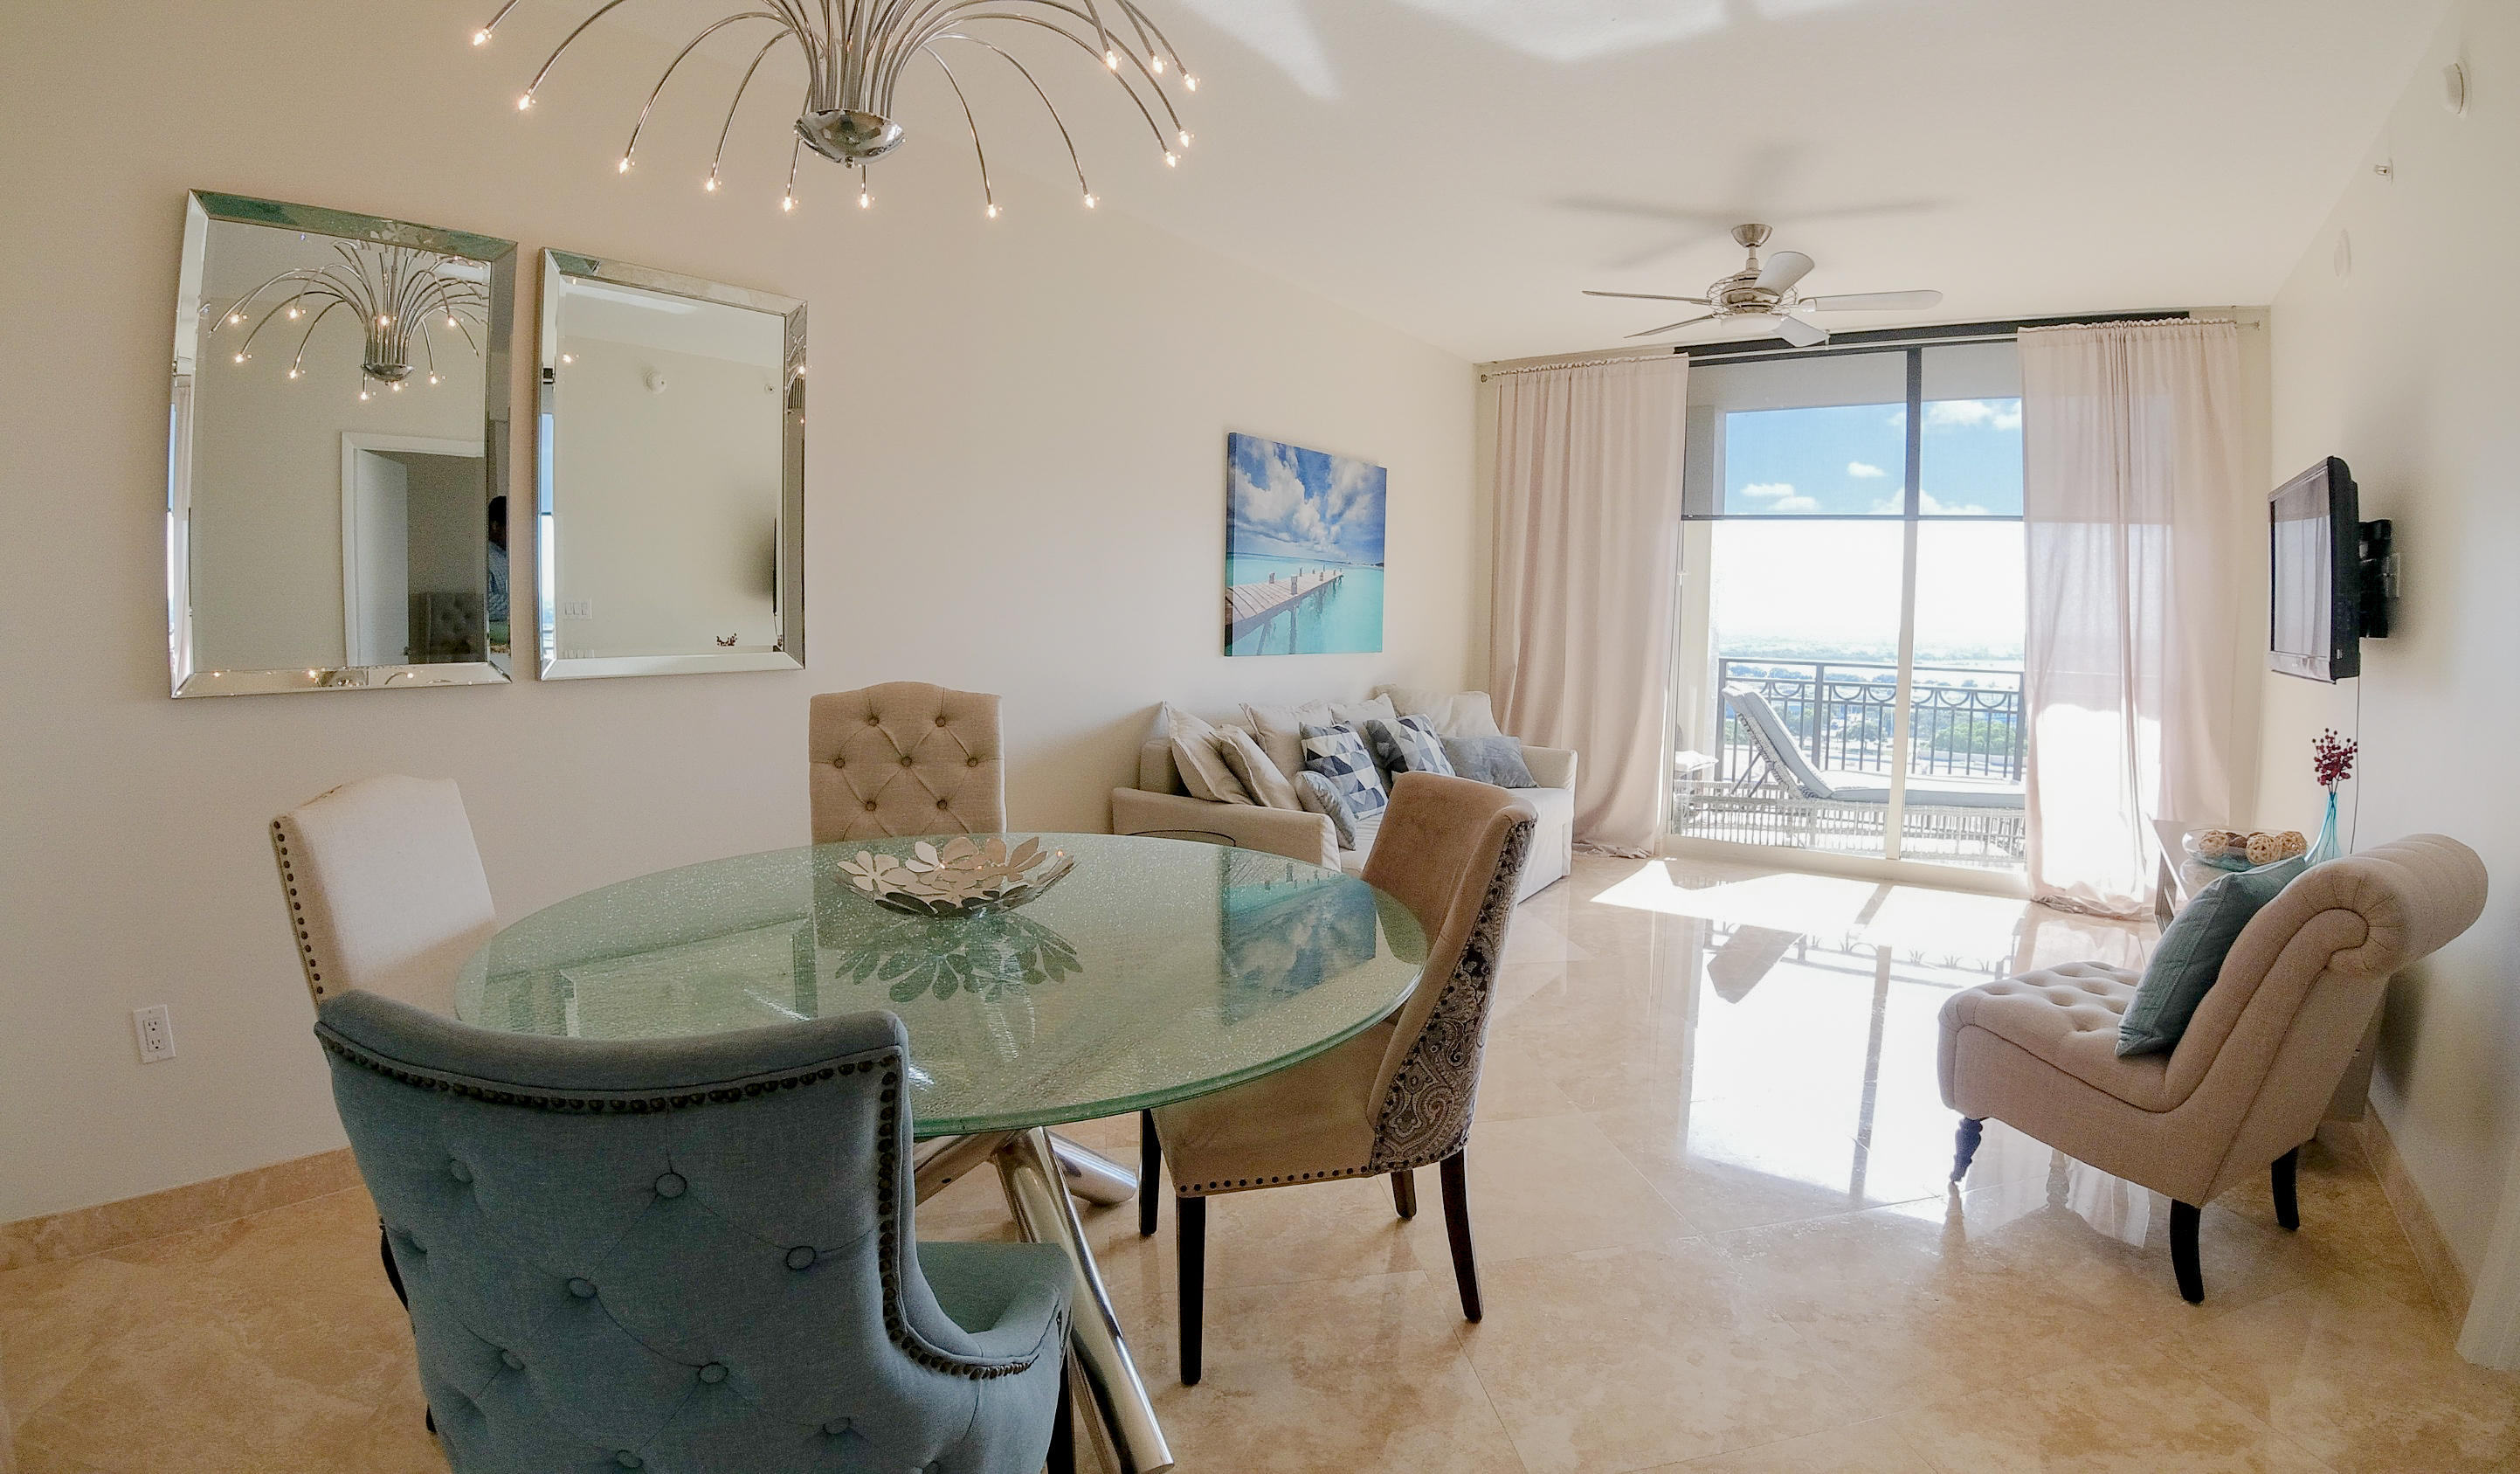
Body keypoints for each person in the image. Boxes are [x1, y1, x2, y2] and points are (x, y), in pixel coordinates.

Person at [485, 495, 509, 626]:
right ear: (495, 526)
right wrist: (524, 604)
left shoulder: (512, 557)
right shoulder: (485, 559)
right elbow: (487, 605)